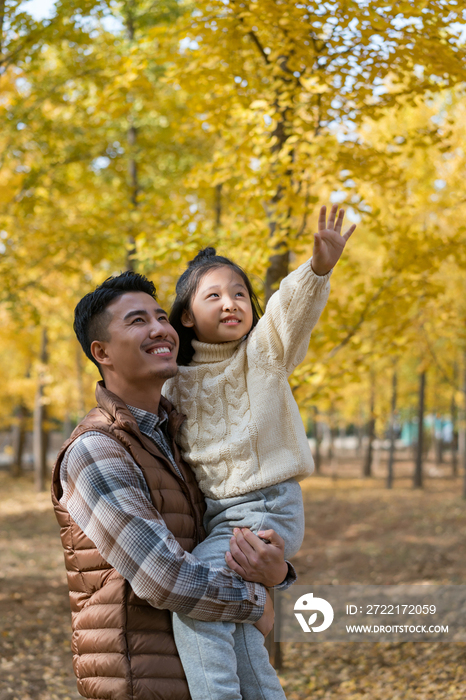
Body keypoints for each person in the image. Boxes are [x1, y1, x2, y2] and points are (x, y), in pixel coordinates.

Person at [51, 271, 296, 700]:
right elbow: (163, 578)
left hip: (206, 680)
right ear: (101, 352)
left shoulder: (180, 440)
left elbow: (228, 538)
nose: (160, 328)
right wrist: (257, 601)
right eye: (137, 321)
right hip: (142, 685)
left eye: (161, 316)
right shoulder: (96, 451)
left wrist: (276, 573)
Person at [163, 204, 356, 700]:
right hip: (223, 518)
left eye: (240, 293)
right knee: (241, 625)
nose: (232, 303)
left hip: (265, 507)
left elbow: (288, 312)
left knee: (196, 598)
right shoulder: (173, 385)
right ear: (186, 315)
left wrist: (317, 269)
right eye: (214, 296)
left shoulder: (262, 354)